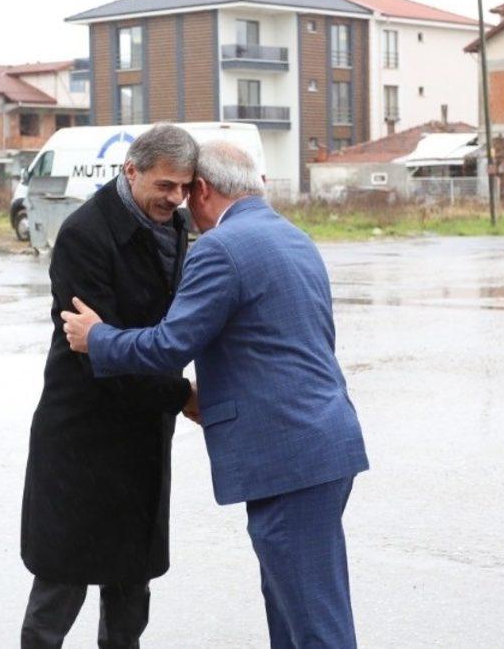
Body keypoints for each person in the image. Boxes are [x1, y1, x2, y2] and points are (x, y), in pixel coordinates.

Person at [61, 140, 369, 648]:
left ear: (202, 189)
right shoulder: (292, 236)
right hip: (321, 443)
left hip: (288, 455)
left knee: (315, 623)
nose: (181, 204)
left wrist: (98, 339)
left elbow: (169, 344)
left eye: (186, 192)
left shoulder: (222, 248)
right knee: (292, 608)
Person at [20, 124, 201, 649]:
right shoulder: (85, 235)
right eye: (165, 185)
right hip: (83, 433)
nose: (176, 198)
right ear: (131, 171)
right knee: (60, 582)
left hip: (142, 433)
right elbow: (97, 353)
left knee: (131, 585)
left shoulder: (174, 225)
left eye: (184, 187)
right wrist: (181, 397)